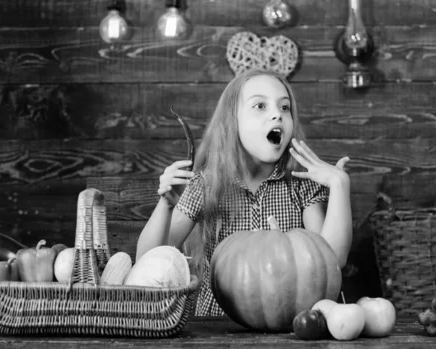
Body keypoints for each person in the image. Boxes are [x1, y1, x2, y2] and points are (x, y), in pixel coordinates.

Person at [136, 68, 352, 316]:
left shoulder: (302, 184)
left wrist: (339, 186)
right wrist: (166, 206)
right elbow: (147, 258)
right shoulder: (206, 185)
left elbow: (333, 259)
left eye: (284, 108)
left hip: (287, 325)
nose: (277, 115)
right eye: (260, 106)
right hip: (216, 327)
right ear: (232, 121)